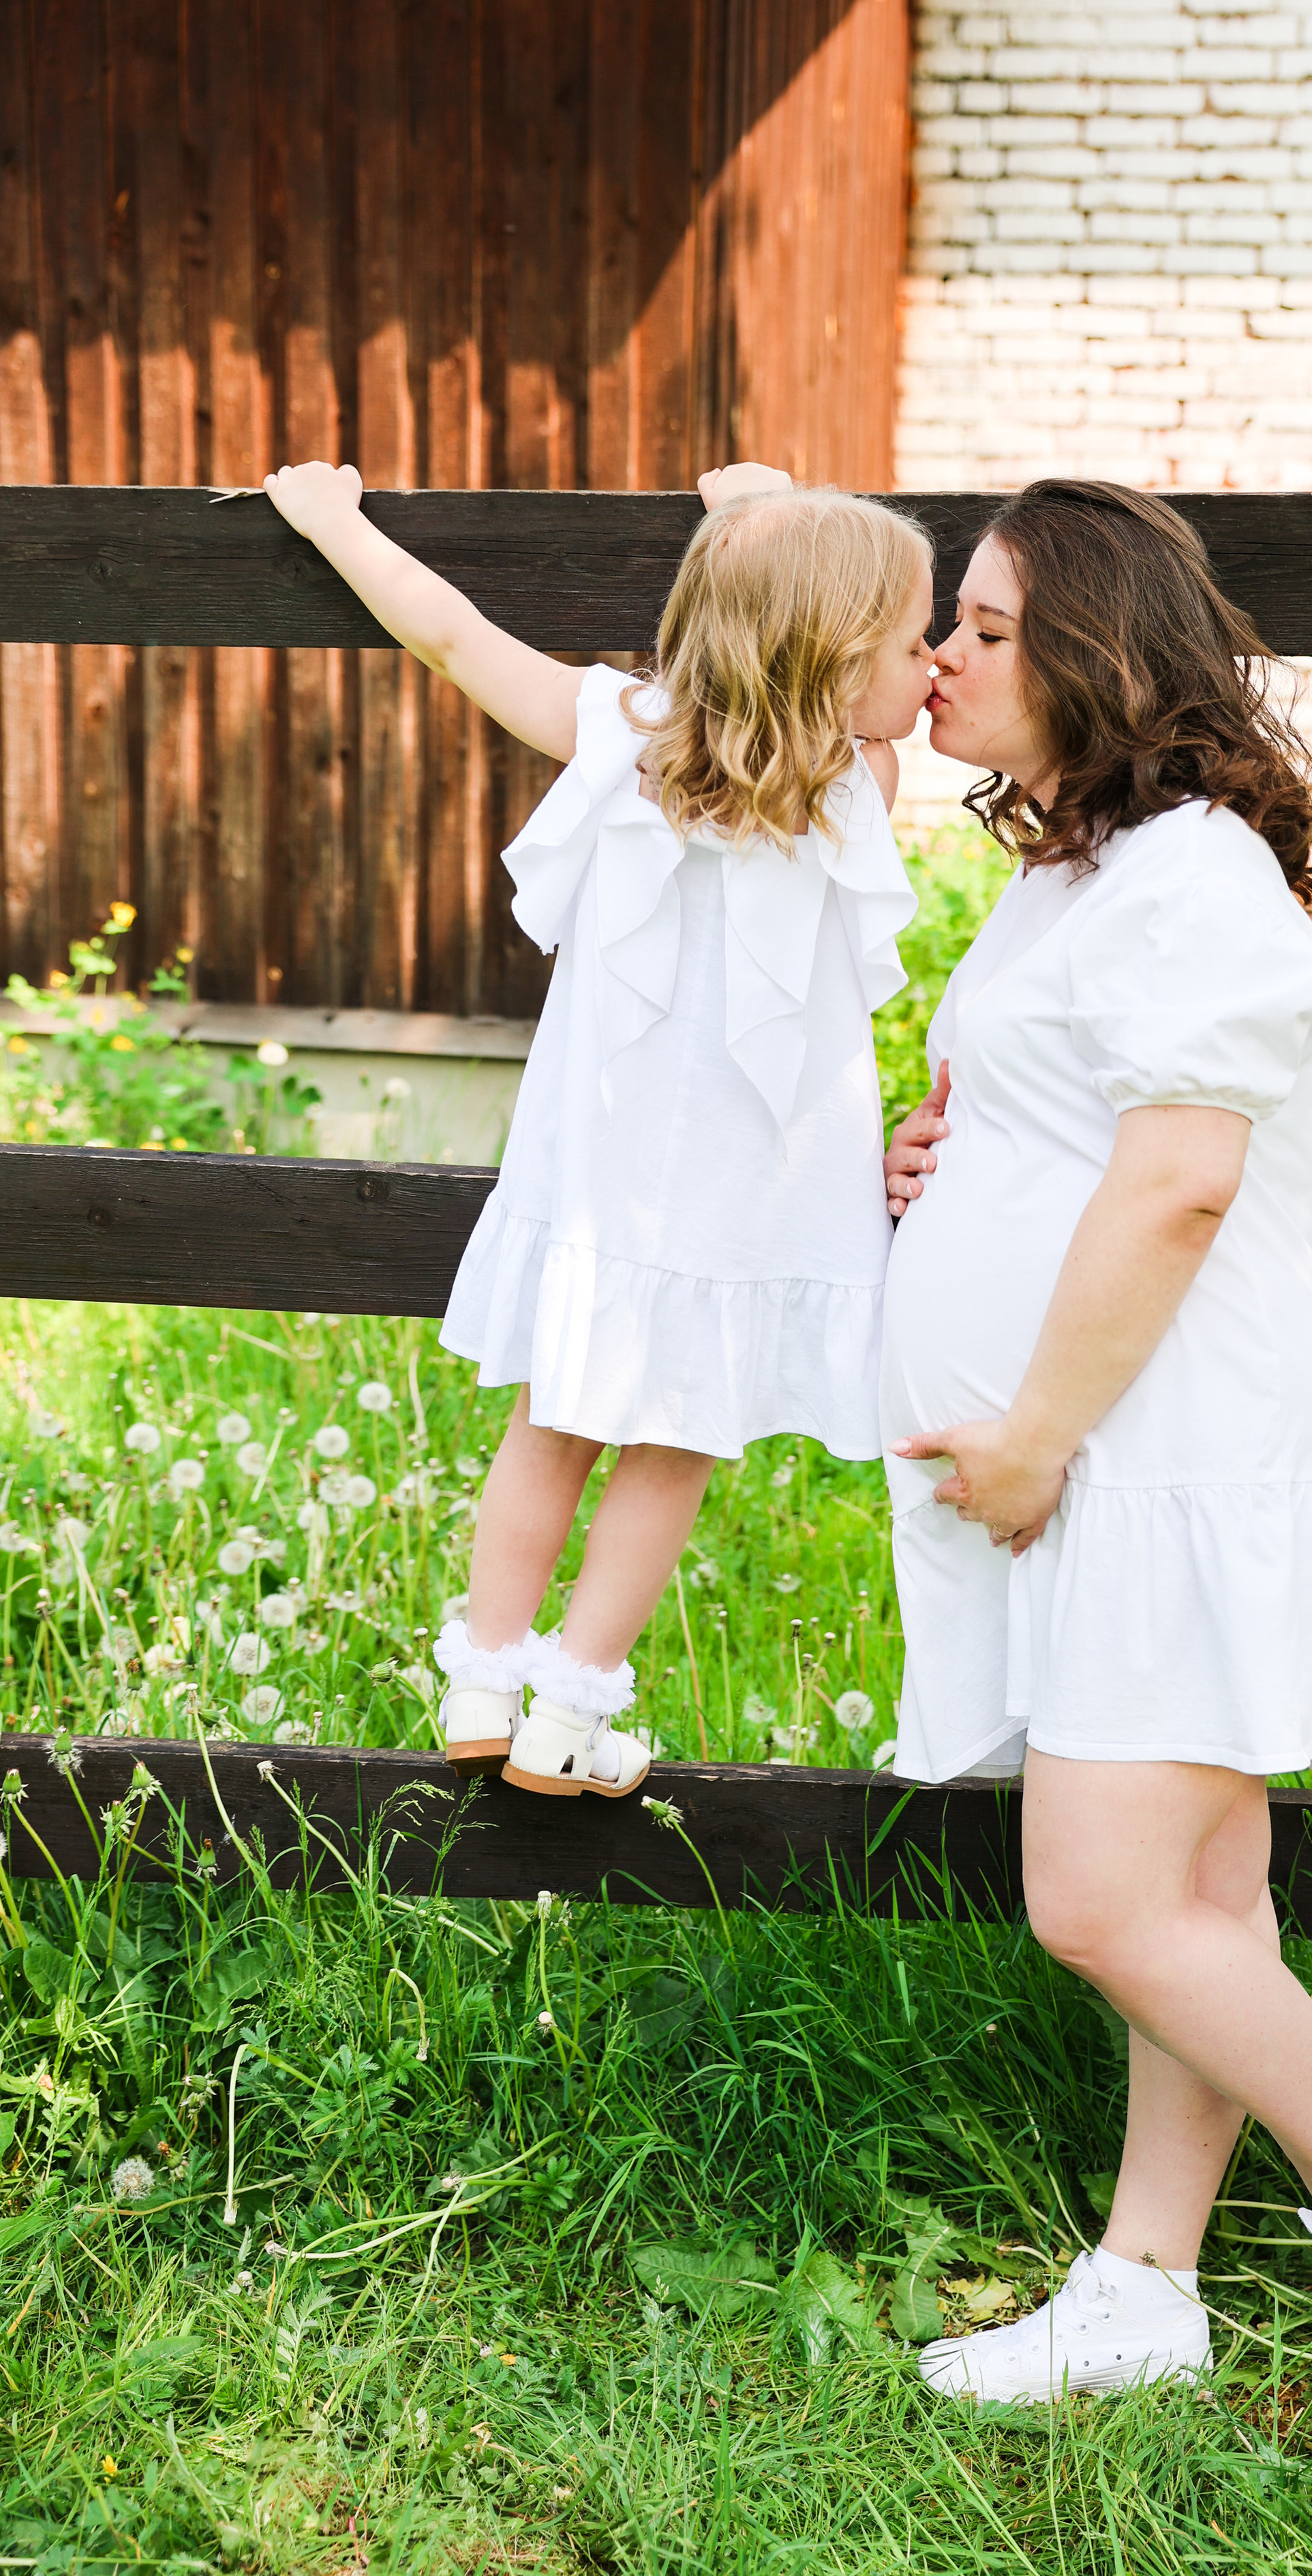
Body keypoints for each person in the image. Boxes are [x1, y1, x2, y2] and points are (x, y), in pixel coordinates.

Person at [880, 478, 1312, 2399]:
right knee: (1199, 1904)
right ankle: (1147, 2283)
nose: (937, 656)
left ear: (1092, 651)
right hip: (1120, 1453)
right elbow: (1079, 1135)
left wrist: (1038, 1434)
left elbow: (1185, 1187)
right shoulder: (1081, 875)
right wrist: (938, 1173)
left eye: (977, 622)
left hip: (1165, 1449)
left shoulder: (1195, 871)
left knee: (1102, 1900)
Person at [263, 459, 932, 1798]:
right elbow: (789, 664)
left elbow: (448, 633)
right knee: (677, 1441)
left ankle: (480, 1673)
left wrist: (332, 521)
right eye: (913, 644)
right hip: (748, 1198)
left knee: (551, 1418)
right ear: (844, 659)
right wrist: (756, 506)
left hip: (603, 1179)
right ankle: (571, 1712)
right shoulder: (856, 786)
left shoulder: (617, 730)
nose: (931, 671)